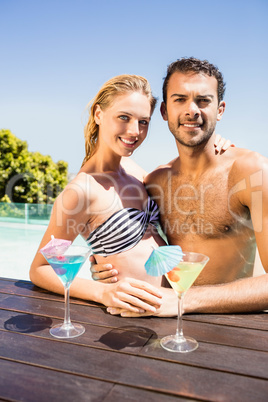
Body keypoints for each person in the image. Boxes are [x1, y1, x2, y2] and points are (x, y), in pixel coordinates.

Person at [30, 73, 230, 314]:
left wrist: (214, 145)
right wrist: (102, 293)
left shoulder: (136, 173)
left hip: (172, 306)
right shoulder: (81, 191)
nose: (134, 131)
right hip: (129, 316)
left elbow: (186, 176)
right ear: (98, 114)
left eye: (143, 122)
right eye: (124, 117)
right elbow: (40, 269)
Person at [92, 57, 268, 317]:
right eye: (180, 99)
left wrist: (184, 302)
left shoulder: (251, 172)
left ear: (219, 110)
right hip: (168, 321)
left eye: (203, 100)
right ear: (164, 112)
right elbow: (144, 244)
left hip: (234, 328)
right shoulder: (155, 183)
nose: (192, 110)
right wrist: (104, 264)